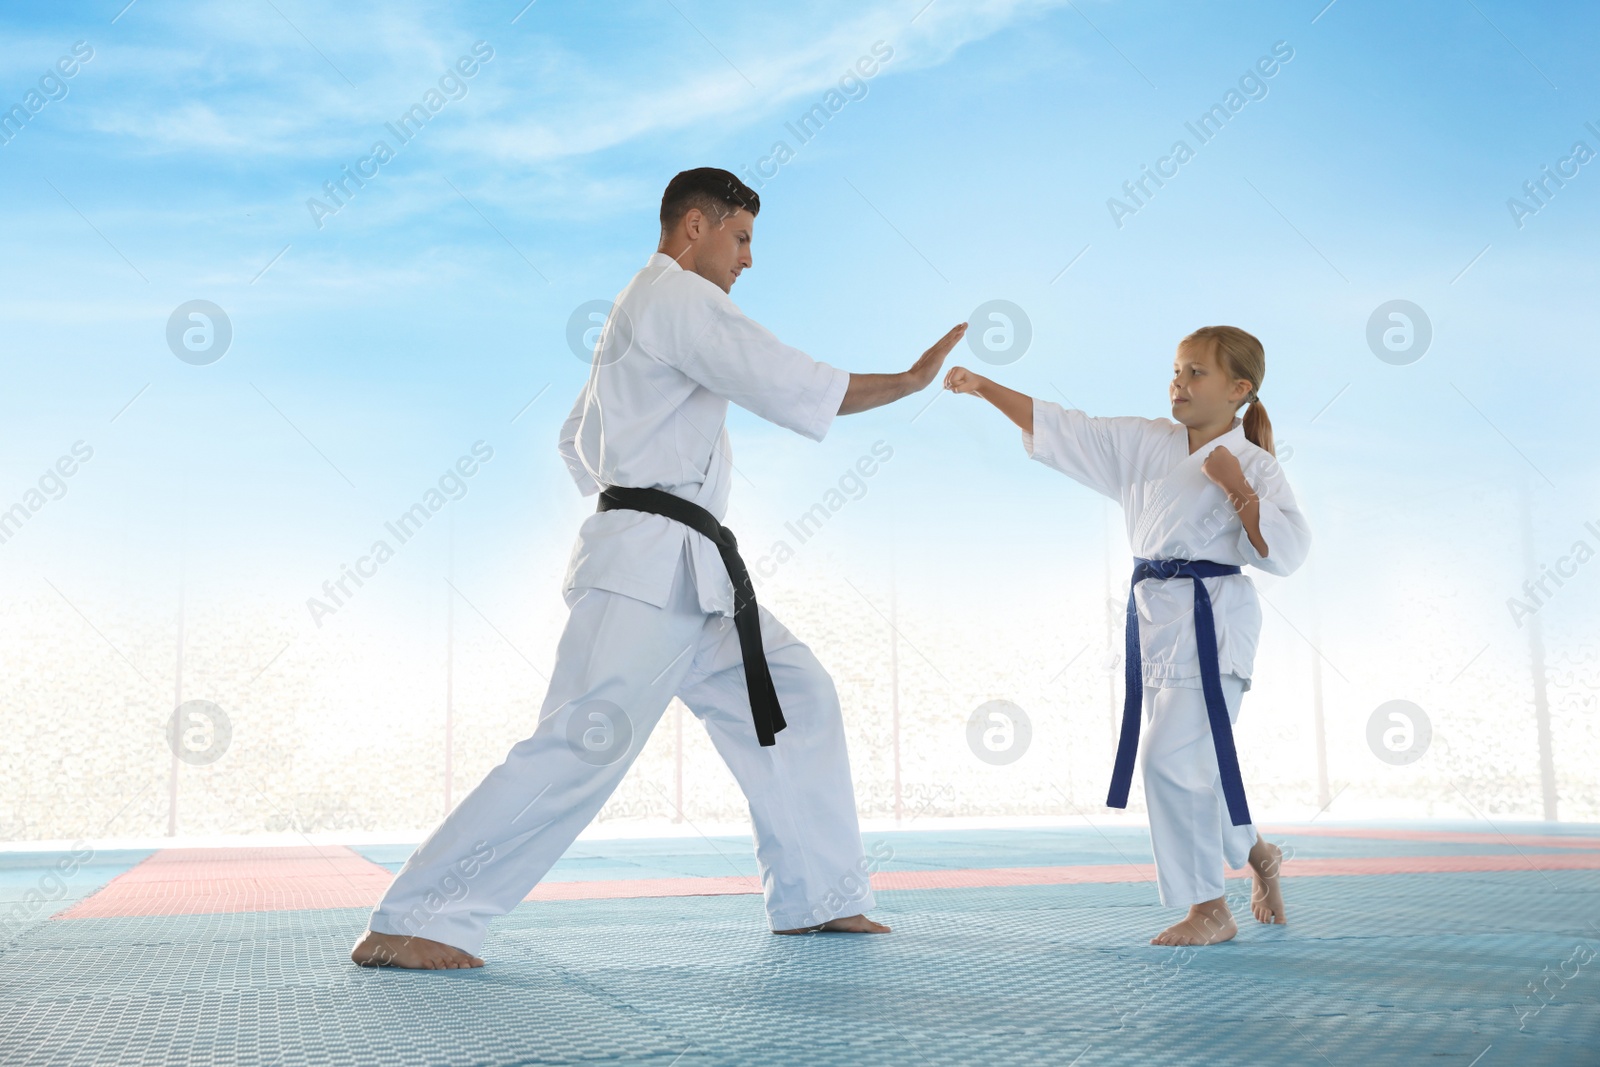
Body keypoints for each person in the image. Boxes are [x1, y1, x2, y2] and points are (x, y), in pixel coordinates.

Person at [351, 167, 967, 969]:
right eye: (741, 238)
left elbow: (577, 437)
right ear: (694, 228)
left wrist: (632, 493)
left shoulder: (636, 309)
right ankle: (415, 915)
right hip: (648, 565)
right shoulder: (679, 297)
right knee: (583, 741)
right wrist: (911, 380)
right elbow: (789, 380)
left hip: (685, 567)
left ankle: (820, 897)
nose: (748, 259)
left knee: (794, 693)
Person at [943, 325, 1310, 946]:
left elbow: (1289, 552)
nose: (1180, 383)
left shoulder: (1255, 465)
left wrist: (1240, 490)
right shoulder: (1144, 443)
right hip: (1157, 623)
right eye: (1176, 370)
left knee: (1168, 759)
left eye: (1197, 373)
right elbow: (1066, 426)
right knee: (1198, 768)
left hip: (1215, 622)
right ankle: (1260, 854)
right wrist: (983, 388)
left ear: (1239, 390)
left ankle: (1208, 907)